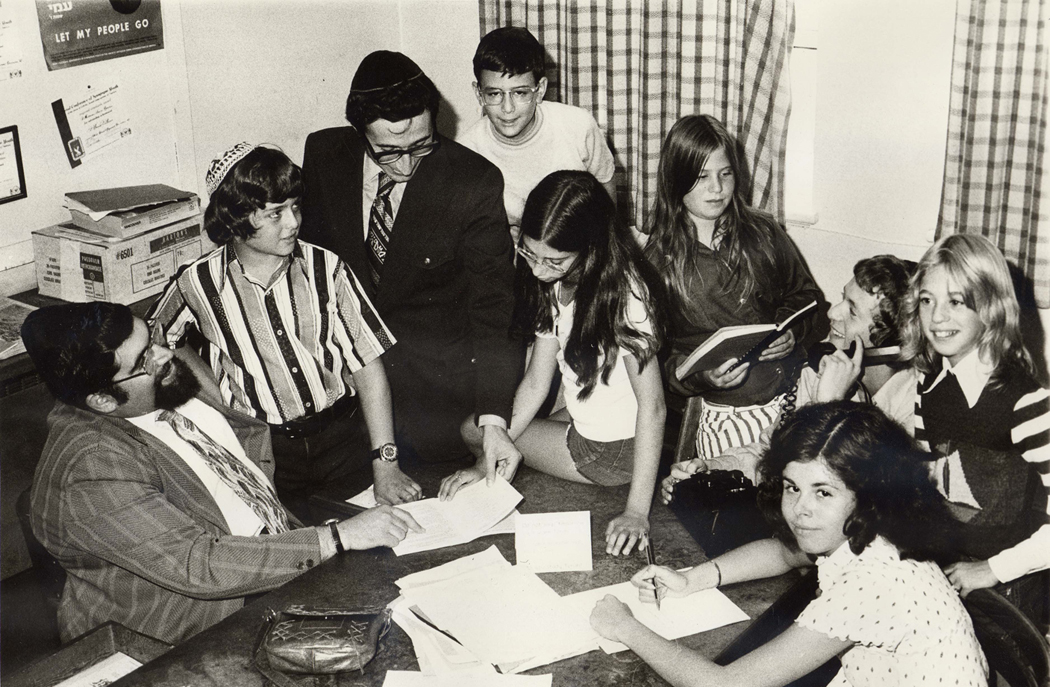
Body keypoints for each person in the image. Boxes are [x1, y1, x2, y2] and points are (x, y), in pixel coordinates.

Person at [23, 302, 422, 645]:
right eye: (144, 360)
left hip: (272, 559)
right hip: (186, 629)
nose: (164, 355)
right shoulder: (90, 469)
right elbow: (197, 565)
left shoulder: (163, 386)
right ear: (102, 401)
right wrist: (338, 537)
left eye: (155, 339)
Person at [590, 402, 988, 687]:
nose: (800, 510)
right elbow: (782, 552)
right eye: (792, 487)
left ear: (869, 492)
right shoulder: (866, 532)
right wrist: (693, 579)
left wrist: (626, 627)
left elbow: (725, 685)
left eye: (823, 493)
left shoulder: (872, 582)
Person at [149, 144, 420, 519]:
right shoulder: (197, 283)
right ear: (235, 220)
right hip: (265, 452)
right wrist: (214, 396)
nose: (293, 222)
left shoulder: (326, 267)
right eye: (275, 213)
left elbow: (368, 367)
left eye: (295, 206)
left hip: (343, 440)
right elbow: (158, 339)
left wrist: (385, 463)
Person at [300, 50, 522, 476]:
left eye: (420, 145)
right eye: (387, 151)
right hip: (347, 401)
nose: (404, 165)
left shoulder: (472, 180)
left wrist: (493, 421)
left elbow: (495, 307)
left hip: (437, 402)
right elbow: (313, 268)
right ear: (359, 131)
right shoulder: (324, 154)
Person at [440, 171, 666, 556]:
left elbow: (654, 406)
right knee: (484, 428)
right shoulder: (555, 280)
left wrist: (636, 511)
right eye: (530, 253)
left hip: (612, 451)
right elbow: (535, 382)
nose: (537, 270)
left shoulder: (626, 295)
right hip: (588, 422)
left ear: (591, 247)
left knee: (474, 431)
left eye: (554, 260)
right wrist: (488, 457)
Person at [645, 114, 828, 464]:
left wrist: (793, 331)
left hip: (794, 390)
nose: (717, 188)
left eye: (725, 174)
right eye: (701, 177)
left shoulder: (763, 231)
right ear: (675, 180)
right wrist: (702, 376)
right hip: (725, 411)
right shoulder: (657, 263)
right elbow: (655, 365)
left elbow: (807, 299)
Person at [661, 255, 917, 498]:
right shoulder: (819, 373)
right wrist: (712, 467)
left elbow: (853, 493)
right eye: (842, 299)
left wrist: (829, 407)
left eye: (851, 311)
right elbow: (771, 452)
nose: (832, 313)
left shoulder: (916, 404)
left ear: (893, 342)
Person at [900, 233, 1049, 629]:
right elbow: (926, 481)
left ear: (992, 307)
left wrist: (991, 570)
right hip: (949, 562)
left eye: (956, 302)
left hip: (1014, 579)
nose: (936, 318)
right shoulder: (929, 386)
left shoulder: (1027, 401)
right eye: (927, 300)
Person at [458, 26, 616, 240]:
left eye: (520, 93)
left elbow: (605, 188)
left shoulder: (578, 125)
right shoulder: (467, 152)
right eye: (494, 94)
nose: (507, 108)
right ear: (479, 94)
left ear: (540, 90)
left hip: (580, 246)